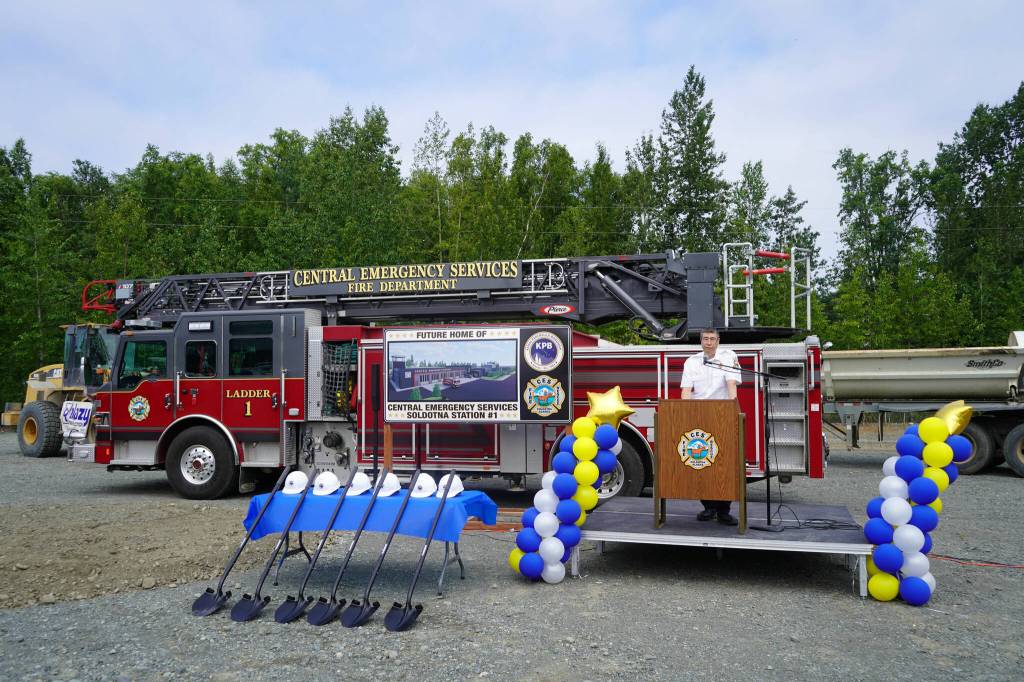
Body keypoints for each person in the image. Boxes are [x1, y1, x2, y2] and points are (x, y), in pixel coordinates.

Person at [680, 328, 740, 526]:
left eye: (712, 339)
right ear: (701, 341)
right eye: (705, 339)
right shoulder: (692, 361)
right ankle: (709, 508)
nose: (708, 342)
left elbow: (732, 385)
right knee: (702, 461)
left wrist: (732, 410)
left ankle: (724, 511)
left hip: (723, 414)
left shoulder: (728, 356)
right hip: (699, 415)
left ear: (718, 340)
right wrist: (686, 415)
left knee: (724, 464)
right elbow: (686, 391)